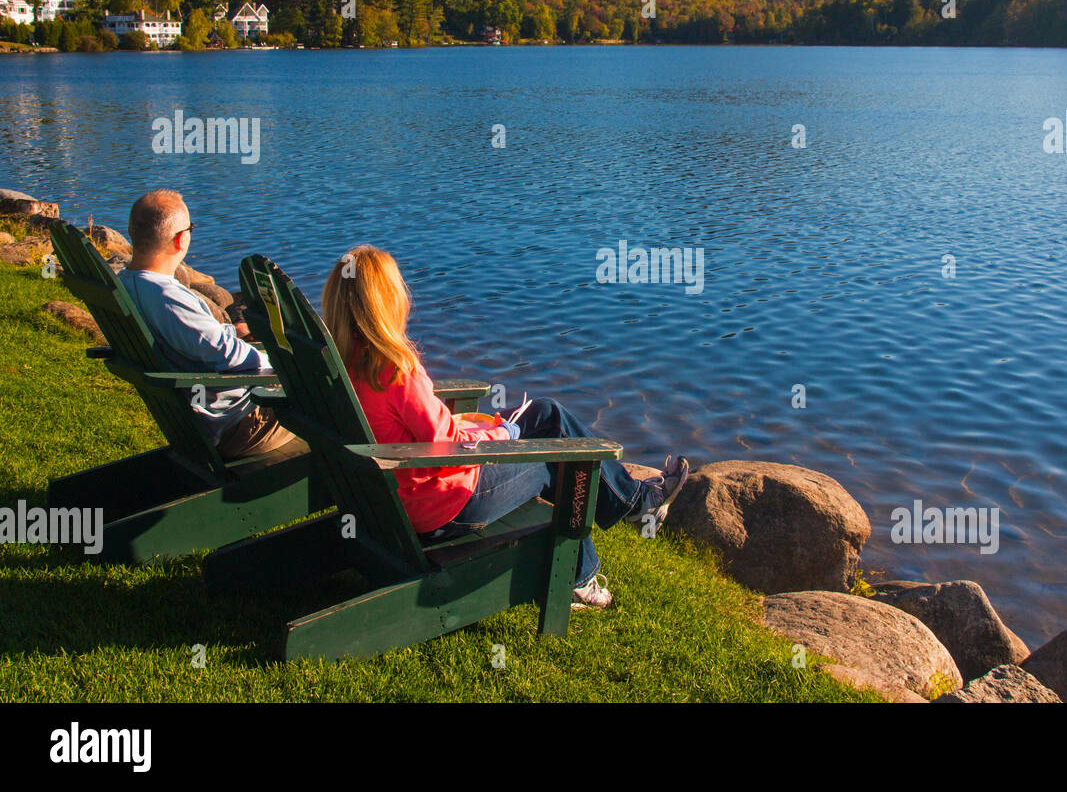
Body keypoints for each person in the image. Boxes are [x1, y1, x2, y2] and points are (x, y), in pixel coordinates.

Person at [321, 245, 688, 609]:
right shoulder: (393, 370)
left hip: (392, 501)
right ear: (388, 302)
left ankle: (632, 504)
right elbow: (448, 450)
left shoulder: (336, 366)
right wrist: (502, 435)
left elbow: (415, 432)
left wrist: (489, 428)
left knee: (548, 416)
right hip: (444, 505)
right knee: (558, 455)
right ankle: (589, 565)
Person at [117, 189, 299, 459]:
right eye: (191, 228)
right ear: (180, 240)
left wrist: (231, 332)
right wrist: (291, 368)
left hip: (193, 423)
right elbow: (232, 358)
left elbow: (199, 340)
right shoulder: (167, 298)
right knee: (331, 401)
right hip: (240, 424)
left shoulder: (126, 285)